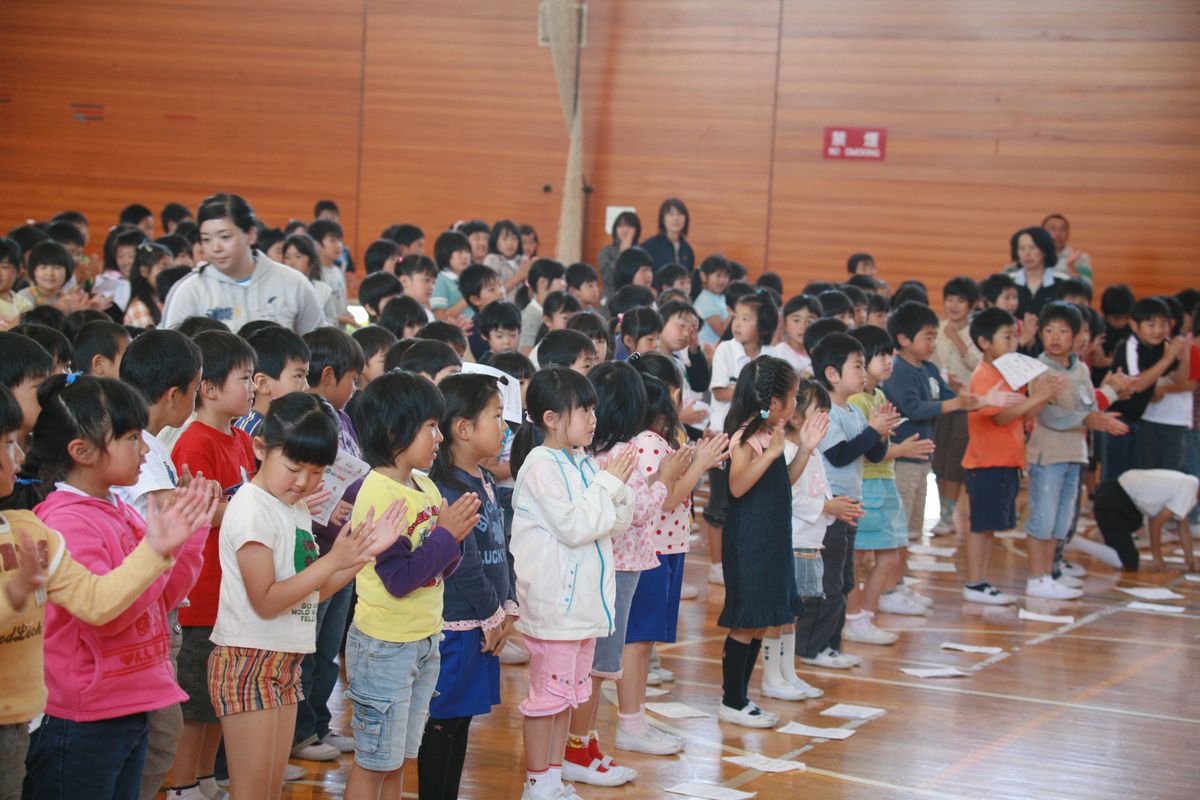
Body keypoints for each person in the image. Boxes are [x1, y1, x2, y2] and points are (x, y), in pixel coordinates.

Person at [0, 383, 214, 799]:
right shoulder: (65, 521)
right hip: (82, 712)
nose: (146, 451)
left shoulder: (112, 513)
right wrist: (155, 550)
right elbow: (107, 611)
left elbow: (159, 601)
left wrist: (187, 537)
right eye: (132, 438)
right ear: (82, 451)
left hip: (124, 700)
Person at [210, 393, 401, 799]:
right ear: (260, 449)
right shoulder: (251, 508)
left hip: (284, 660)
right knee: (252, 791)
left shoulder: (293, 508)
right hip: (249, 658)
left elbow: (310, 595)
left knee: (268, 788)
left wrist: (364, 554)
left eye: (317, 473)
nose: (304, 482)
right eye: (294, 468)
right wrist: (334, 560)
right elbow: (266, 599)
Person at [343, 370, 480, 800]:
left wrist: (450, 539)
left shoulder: (422, 484)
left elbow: (441, 566)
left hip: (422, 638)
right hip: (384, 646)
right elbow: (400, 578)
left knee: (402, 757)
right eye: (429, 427)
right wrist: (445, 535)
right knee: (374, 763)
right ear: (393, 431)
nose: (438, 437)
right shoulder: (378, 493)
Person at [508, 367, 636, 800]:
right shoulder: (541, 466)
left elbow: (614, 523)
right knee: (548, 699)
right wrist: (607, 484)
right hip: (556, 607)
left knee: (567, 699)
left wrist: (617, 487)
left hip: (583, 609)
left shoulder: (581, 461)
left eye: (593, 409)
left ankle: (554, 777)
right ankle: (537, 783)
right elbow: (575, 526)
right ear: (551, 418)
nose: (592, 418)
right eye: (583, 410)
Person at [615, 356, 729, 753]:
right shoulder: (647, 443)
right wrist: (699, 466)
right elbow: (663, 500)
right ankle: (629, 724)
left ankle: (637, 720)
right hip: (651, 551)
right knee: (638, 641)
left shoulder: (660, 442)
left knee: (645, 642)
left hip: (666, 548)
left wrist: (695, 460)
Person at [167, 331, 259, 798]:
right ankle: (182, 785)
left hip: (234, 590)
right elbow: (198, 509)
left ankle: (204, 778)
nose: (252, 388)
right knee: (193, 703)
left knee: (217, 700)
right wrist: (249, 506)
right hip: (201, 593)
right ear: (209, 388)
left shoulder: (242, 440)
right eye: (244, 379)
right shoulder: (194, 442)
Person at [419, 374, 517, 800]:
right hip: (459, 624)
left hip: (484, 620)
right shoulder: (449, 489)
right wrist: (493, 614)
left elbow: (501, 547)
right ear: (462, 429)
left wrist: (508, 604)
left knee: (461, 723)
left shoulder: (486, 480)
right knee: (442, 725)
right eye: (496, 417)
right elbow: (465, 564)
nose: (505, 428)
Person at [716, 355, 808, 727]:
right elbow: (737, 485)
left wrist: (806, 448)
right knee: (746, 620)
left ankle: (741, 697)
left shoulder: (770, 434)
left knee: (758, 621)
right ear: (773, 403)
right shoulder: (744, 436)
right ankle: (731, 699)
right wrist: (770, 451)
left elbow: (782, 480)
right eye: (794, 397)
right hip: (749, 541)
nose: (796, 404)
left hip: (770, 537)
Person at [290, 327, 369, 761]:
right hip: (319, 548)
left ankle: (319, 724)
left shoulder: (344, 417)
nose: (355, 388)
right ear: (328, 375)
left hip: (346, 546)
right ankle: (300, 733)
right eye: (352, 378)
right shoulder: (310, 416)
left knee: (327, 648)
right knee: (308, 646)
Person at [799, 333, 898, 669]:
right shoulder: (826, 413)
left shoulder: (853, 410)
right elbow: (840, 455)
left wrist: (880, 432)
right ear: (832, 374)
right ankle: (813, 648)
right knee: (826, 581)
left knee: (843, 580)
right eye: (857, 366)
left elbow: (873, 453)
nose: (864, 373)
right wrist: (872, 430)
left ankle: (832, 644)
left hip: (849, 506)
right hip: (829, 508)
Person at [962, 308, 1066, 605]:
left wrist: (1043, 396)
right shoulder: (984, 375)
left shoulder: (1008, 373)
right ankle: (974, 582)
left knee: (990, 526)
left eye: (1015, 337)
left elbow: (1020, 415)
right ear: (984, 342)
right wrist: (1035, 398)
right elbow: (997, 417)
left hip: (1006, 459)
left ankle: (980, 581)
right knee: (981, 526)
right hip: (986, 461)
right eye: (1007, 337)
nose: (1014, 343)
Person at [1024, 303, 1128, 599]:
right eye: (1048, 330)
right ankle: (1037, 577)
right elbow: (1048, 415)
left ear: (1076, 336)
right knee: (1042, 519)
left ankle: (1050, 574)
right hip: (1049, 455)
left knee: (1060, 521)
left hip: (1075, 453)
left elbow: (1089, 406)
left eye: (1063, 331)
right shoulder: (1039, 369)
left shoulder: (1080, 367)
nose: (1055, 337)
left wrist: (1112, 392)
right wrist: (1088, 418)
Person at [845, 325, 935, 637]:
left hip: (884, 484)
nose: (888, 361)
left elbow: (878, 444)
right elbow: (867, 452)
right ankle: (853, 618)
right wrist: (902, 449)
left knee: (889, 556)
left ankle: (865, 616)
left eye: (889, 354)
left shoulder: (879, 395)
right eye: (881, 355)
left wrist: (888, 441)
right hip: (866, 484)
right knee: (856, 558)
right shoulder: (856, 401)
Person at [162, 194, 324, 333]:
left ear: (251, 235)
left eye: (225, 237)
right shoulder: (190, 291)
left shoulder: (292, 283)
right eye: (206, 239)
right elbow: (173, 357)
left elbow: (317, 345)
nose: (215, 248)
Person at [704, 291, 777, 587]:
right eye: (736, 317)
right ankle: (717, 565)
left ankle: (741, 557)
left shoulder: (771, 355)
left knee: (748, 502)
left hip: (757, 438)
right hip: (724, 435)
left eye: (747, 319)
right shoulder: (725, 350)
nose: (738, 324)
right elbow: (720, 391)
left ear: (763, 325)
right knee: (720, 502)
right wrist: (753, 392)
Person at [930, 277, 982, 536]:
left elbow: (980, 364)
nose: (953, 305)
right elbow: (928, 361)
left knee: (954, 462)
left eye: (960, 300)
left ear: (971, 305)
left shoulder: (977, 332)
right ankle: (943, 513)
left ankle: (948, 514)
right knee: (938, 462)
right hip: (941, 402)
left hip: (966, 405)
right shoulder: (935, 329)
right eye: (949, 299)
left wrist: (958, 340)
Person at [1081, 469, 1198, 572]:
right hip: (1112, 501)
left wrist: (1190, 561)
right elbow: (1156, 524)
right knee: (1129, 563)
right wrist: (1158, 560)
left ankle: (1107, 533)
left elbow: (1183, 526)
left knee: (1136, 522)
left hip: (1122, 498)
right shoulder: (1189, 490)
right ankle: (1080, 543)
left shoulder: (1191, 485)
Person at [234, 326, 311, 439]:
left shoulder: (286, 424)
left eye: (306, 376)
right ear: (263, 384)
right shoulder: (249, 431)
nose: (306, 387)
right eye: (298, 376)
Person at [282, 232, 339, 327]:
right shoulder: (277, 289)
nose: (291, 263)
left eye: (298, 256)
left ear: (311, 261)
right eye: (287, 257)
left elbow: (332, 323)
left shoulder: (323, 290)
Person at [517, 259, 567, 355]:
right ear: (542, 282)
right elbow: (526, 353)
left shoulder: (542, 311)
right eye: (561, 279)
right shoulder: (531, 315)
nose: (564, 284)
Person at [768, 294, 820, 376]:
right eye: (796, 320)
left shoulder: (819, 353)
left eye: (810, 321)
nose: (803, 326)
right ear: (784, 323)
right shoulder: (779, 353)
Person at [639, 198, 694, 273]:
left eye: (680, 214)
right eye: (671, 214)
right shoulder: (650, 246)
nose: (676, 218)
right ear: (663, 219)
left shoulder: (687, 249)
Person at [597, 211, 640, 306]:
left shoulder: (641, 253)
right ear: (615, 229)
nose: (625, 230)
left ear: (636, 230)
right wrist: (622, 253)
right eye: (620, 226)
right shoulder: (606, 251)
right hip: (610, 302)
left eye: (629, 226)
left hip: (634, 302)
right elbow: (608, 277)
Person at [431, 231, 473, 321]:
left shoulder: (471, 277)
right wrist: (469, 297)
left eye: (467, 251)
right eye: (460, 252)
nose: (465, 256)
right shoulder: (440, 280)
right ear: (445, 253)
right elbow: (441, 318)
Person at [483, 219, 531, 300]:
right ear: (495, 240)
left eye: (514, 238)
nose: (510, 243)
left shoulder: (523, 260)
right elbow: (492, 292)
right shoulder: (492, 260)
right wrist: (519, 276)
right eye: (505, 239)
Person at [694, 255, 732, 347]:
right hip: (706, 352)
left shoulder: (719, 297)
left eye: (726, 276)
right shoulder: (705, 300)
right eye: (718, 275)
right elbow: (722, 332)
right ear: (703, 276)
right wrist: (732, 315)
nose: (722, 280)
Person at [1042, 214, 1092, 284]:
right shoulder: (1033, 258)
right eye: (1053, 229)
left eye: (1063, 229)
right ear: (1042, 233)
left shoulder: (1080, 258)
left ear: (1068, 234)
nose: (1058, 234)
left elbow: (1087, 290)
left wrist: (1071, 267)